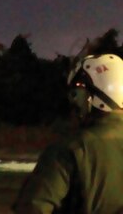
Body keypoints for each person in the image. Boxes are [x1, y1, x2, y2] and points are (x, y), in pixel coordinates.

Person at [13, 53, 123, 213]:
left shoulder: (69, 149)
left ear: (94, 97)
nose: (74, 101)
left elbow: (33, 207)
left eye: (78, 93)